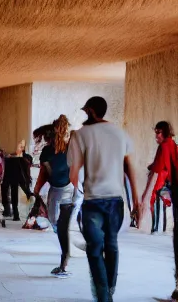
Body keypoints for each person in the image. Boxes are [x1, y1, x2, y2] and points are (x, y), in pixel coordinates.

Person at [68, 96, 139, 302]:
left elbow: (74, 172)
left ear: (90, 111)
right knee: (112, 245)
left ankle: (103, 296)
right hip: (116, 200)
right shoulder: (120, 134)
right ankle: (110, 290)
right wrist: (136, 200)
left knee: (95, 250)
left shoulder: (81, 135)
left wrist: (79, 188)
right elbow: (129, 168)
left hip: (93, 200)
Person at [33, 115, 75, 278]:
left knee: (58, 225)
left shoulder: (58, 149)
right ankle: (65, 257)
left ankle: (64, 261)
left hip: (63, 190)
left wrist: (37, 189)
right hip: (67, 189)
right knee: (57, 224)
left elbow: (46, 173)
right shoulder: (67, 148)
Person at [140, 121, 178, 301]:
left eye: (159, 133)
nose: (156, 136)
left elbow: (156, 172)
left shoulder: (165, 145)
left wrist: (145, 198)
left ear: (165, 133)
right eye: (155, 133)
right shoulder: (171, 144)